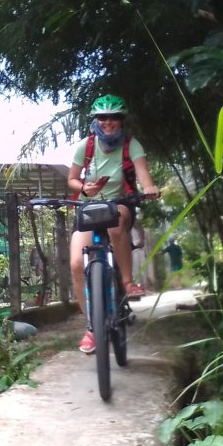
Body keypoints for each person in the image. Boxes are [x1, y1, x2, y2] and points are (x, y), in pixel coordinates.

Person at [67, 94, 159, 354]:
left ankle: (127, 283)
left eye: (114, 118)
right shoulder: (85, 146)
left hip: (120, 202)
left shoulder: (132, 146)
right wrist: (85, 188)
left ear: (121, 120)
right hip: (89, 207)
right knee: (76, 263)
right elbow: (72, 179)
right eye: (103, 118)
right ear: (96, 121)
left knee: (116, 224)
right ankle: (92, 326)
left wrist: (149, 187)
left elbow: (143, 174)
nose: (108, 123)